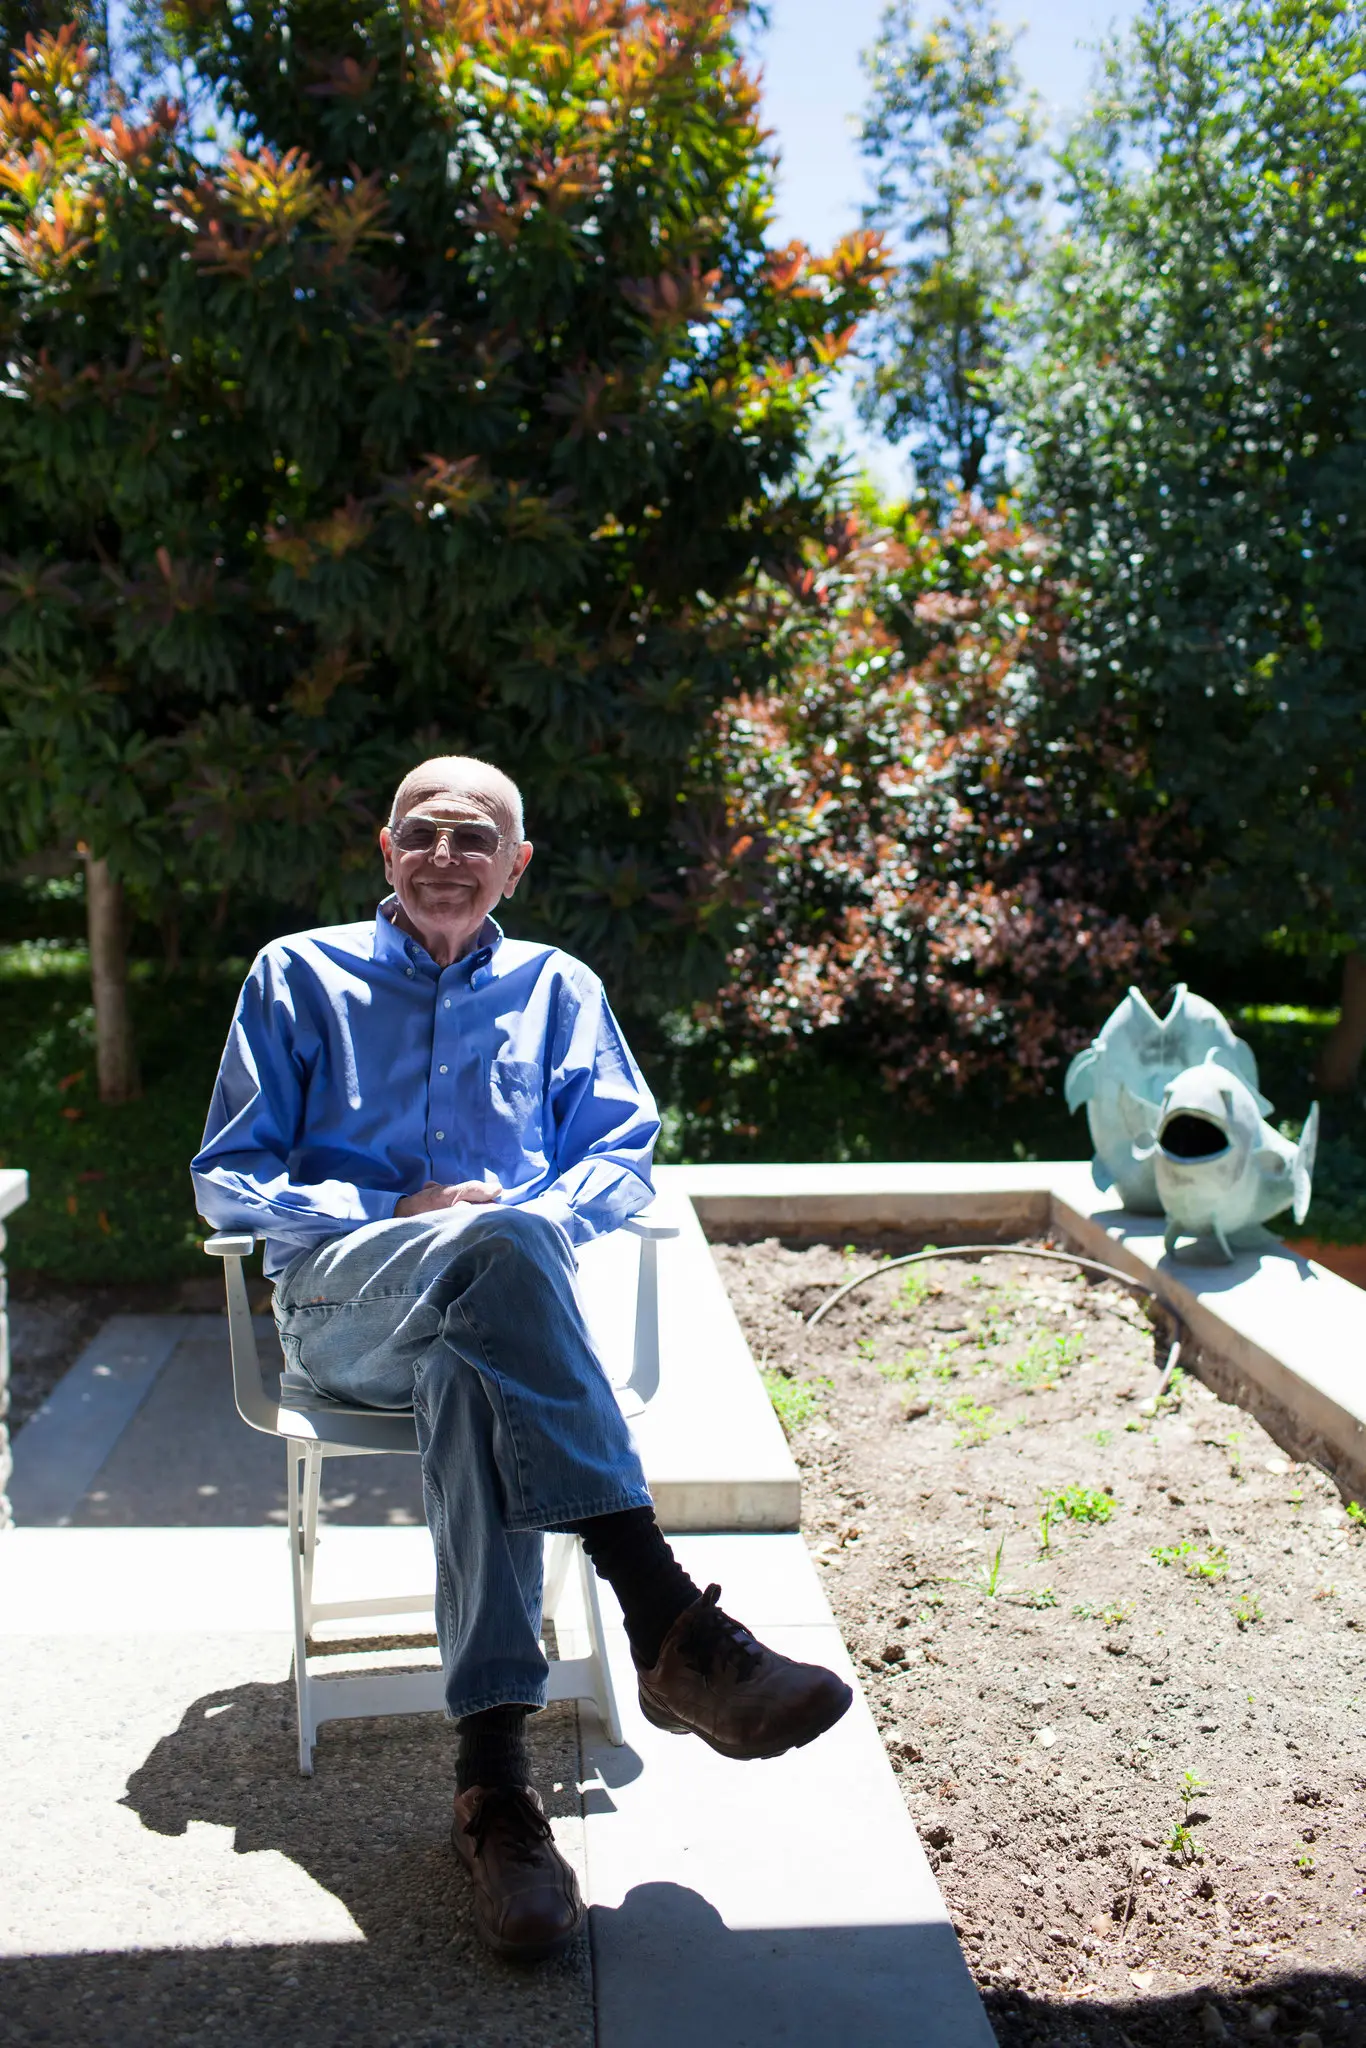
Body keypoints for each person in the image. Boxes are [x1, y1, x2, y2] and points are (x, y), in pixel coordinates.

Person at [191, 754, 852, 1963]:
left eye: (474, 838)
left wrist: (515, 1220)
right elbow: (227, 1175)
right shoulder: (298, 974)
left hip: (486, 1336)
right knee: (492, 1249)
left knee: (474, 1363)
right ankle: (664, 1614)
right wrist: (398, 1213)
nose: (448, 857)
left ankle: (492, 1792)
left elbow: (619, 1158)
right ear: (386, 850)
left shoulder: (561, 989)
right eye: (425, 835)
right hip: (348, 1309)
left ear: (517, 863)